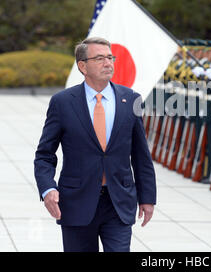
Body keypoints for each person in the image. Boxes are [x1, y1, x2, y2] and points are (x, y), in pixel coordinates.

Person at [34, 37, 157, 252]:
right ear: (82, 66)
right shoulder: (63, 103)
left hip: (118, 202)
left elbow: (141, 155)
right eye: (99, 58)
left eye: (110, 57)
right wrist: (48, 188)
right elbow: (45, 154)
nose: (108, 63)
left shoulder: (130, 100)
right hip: (76, 203)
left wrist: (147, 198)